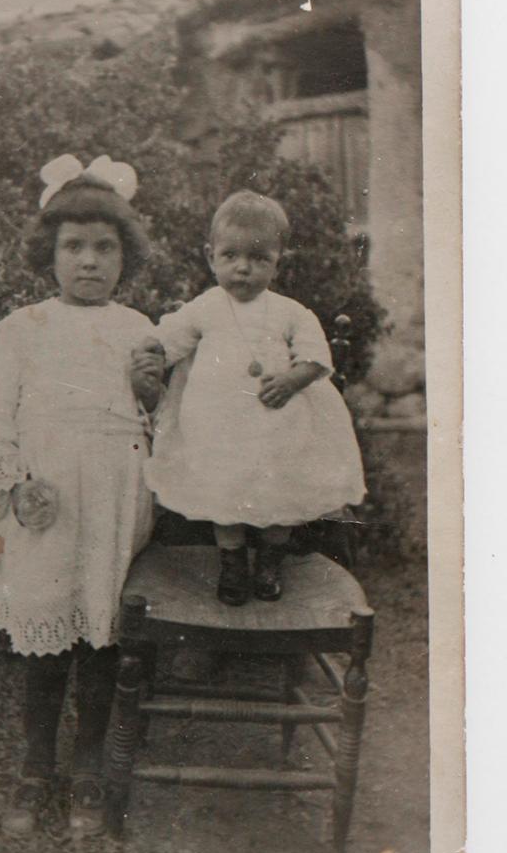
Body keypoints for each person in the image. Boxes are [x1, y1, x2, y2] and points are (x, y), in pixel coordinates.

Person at [0, 155, 163, 837]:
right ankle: (36, 767)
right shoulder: (24, 329)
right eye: (73, 247)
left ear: (125, 256)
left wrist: (154, 395)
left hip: (114, 500)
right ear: (48, 254)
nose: (89, 262)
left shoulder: (141, 330)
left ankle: (87, 769)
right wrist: (15, 481)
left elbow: (155, 421)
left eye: (104, 248)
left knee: (100, 636)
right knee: (45, 638)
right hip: (43, 505)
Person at [137, 190, 365, 606]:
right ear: (211, 256)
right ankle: (233, 565)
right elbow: (168, 339)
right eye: (231, 256)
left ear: (278, 261)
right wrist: (150, 352)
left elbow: (317, 357)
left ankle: (270, 563)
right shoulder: (205, 308)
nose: (243, 268)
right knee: (225, 501)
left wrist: (293, 379)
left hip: (275, 433)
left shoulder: (289, 312)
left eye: (259, 259)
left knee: (277, 502)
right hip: (219, 432)